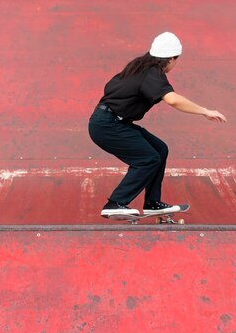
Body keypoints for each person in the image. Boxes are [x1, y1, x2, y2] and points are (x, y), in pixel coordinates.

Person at [88, 32, 227, 217]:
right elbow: (173, 100)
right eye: (176, 60)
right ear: (170, 58)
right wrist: (205, 111)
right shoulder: (152, 73)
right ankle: (116, 203)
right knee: (147, 159)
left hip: (110, 121)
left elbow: (110, 88)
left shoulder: (138, 67)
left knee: (159, 149)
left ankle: (152, 203)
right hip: (108, 125)